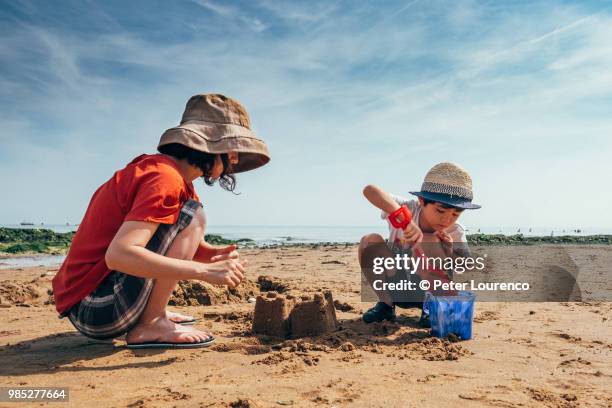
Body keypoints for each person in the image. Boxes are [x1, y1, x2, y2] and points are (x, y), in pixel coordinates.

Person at [51, 94, 270, 348]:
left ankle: (154, 315)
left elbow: (172, 244)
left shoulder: (175, 178)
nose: (235, 160)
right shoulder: (164, 178)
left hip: (92, 301)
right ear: (209, 145)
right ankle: (151, 322)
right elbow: (119, 255)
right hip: (94, 307)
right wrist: (204, 272)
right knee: (195, 215)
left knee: (192, 214)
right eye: (233, 151)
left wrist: (212, 255)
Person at [358, 162, 480, 324]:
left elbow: (465, 265)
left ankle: (430, 309)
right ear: (422, 201)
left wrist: (449, 251)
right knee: (369, 241)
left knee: (430, 240)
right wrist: (405, 220)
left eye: (455, 214)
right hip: (395, 284)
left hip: (429, 292)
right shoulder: (408, 209)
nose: (447, 219)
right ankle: (386, 305)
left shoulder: (455, 231)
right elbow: (370, 190)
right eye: (440, 211)